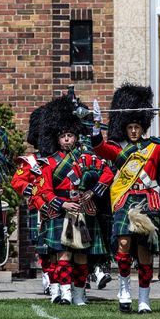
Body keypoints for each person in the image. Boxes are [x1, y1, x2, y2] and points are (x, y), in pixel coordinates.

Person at [91, 83, 160, 314]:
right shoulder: (118, 149)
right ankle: (124, 289)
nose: (133, 131)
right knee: (124, 244)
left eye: (137, 127)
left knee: (145, 250)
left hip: (148, 199)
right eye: (130, 127)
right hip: (124, 199)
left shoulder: (152, 148)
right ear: (125, 127)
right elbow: (99, 148)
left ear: (143, 127)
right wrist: (96, 125)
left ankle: (145, 299)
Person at [35, 96, 111, 306]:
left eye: (70, 135)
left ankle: (79, 295)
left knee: (82, 256)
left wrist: (93, 192)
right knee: (63, 254)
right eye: (63, 137)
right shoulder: (49, 163)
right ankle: (65, 292)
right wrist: (62, 204)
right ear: (57, 139)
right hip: (61, 212)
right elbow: (45, 190)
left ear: (76, 137)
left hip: (83, 211)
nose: (67, 139)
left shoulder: (86, 158)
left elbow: (107, 174)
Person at [11, 106, 54, 296]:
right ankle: (47, 276)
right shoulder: (30, 161)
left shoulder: (58, 159)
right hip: (37, 207)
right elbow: (17, 181)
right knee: (43, 246)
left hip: (56, 204)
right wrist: (32, 190)